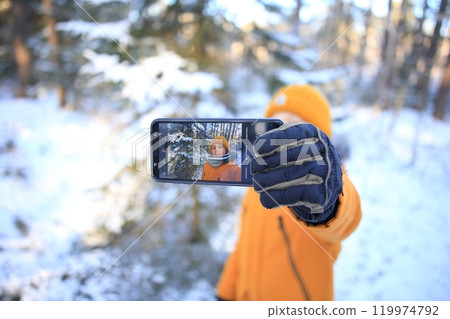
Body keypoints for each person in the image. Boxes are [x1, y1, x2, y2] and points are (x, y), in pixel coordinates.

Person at [216, 85, 362, 301]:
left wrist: (327, 203)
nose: (282, 135)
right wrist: (225, 294)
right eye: (275, 125)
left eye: (294, 126)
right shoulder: (255, 186)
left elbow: (345, 219)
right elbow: (242, 246)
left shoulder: (327, 184)